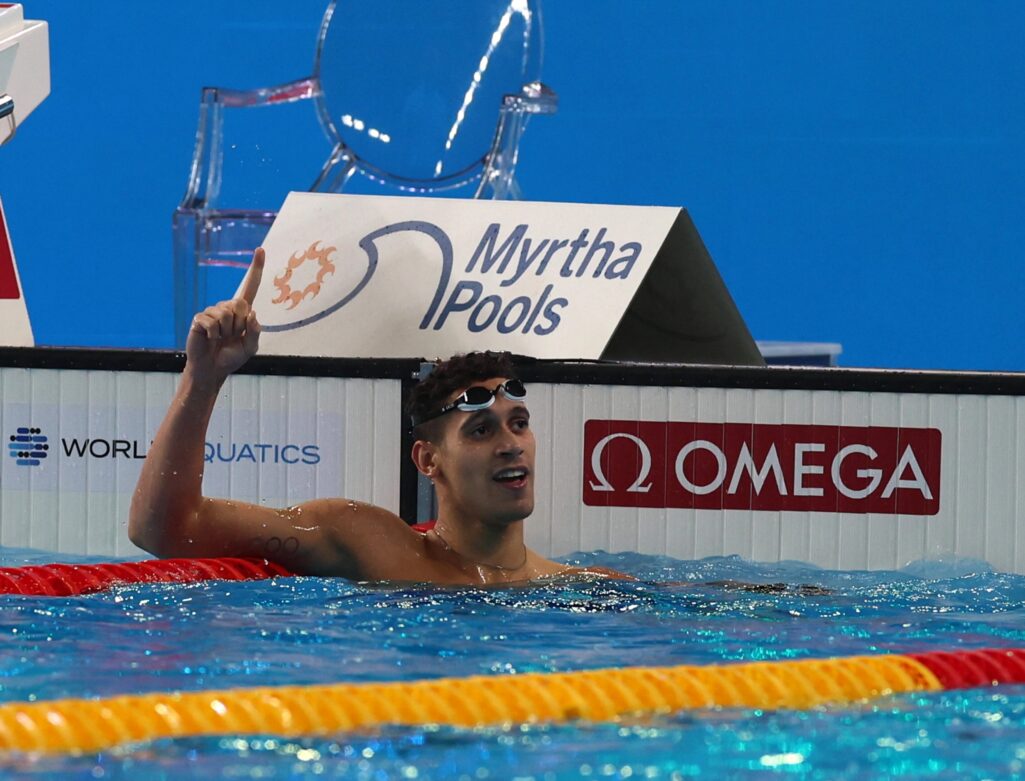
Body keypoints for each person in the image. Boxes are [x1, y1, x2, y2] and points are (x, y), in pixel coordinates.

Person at [129, 248, 625, 585]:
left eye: (519, 423)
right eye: (481, 429)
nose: (511, 443)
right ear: (429, 461)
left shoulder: (584, 588)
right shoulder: (370, 543)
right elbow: (166, 529)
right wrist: (202, 379)